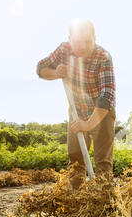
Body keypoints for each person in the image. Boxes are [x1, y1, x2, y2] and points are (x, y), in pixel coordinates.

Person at [36, 19, 116, 189]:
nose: (83, 47)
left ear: (95, 38)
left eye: (88, 41)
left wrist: (88, 125)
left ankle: (104, 200)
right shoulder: (64, 50)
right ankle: (77, 198)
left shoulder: (103, 57)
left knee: (103, 160)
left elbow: (107, 95)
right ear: (70, 39)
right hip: (77, 110)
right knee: (75, 158)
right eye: (78, 42)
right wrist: (56, 72)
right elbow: (41, 68)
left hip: (101, 113)